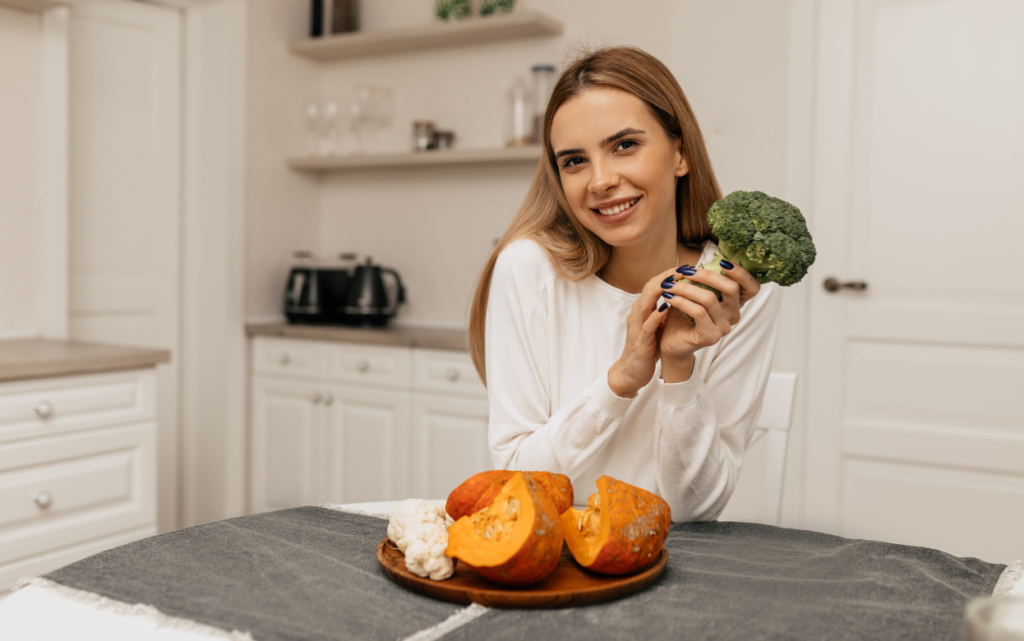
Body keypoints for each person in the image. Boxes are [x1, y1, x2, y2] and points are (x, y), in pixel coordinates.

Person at [467, 45, 780, 522]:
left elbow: (697, 508)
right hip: (556, 559)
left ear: (680, 153)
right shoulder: (528, 269)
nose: (600, 180)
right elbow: (516, 483)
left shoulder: (740, 290)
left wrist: (679, 366)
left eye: (624, 145)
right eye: (574, 161)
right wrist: (621, 381)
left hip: (676, 566)